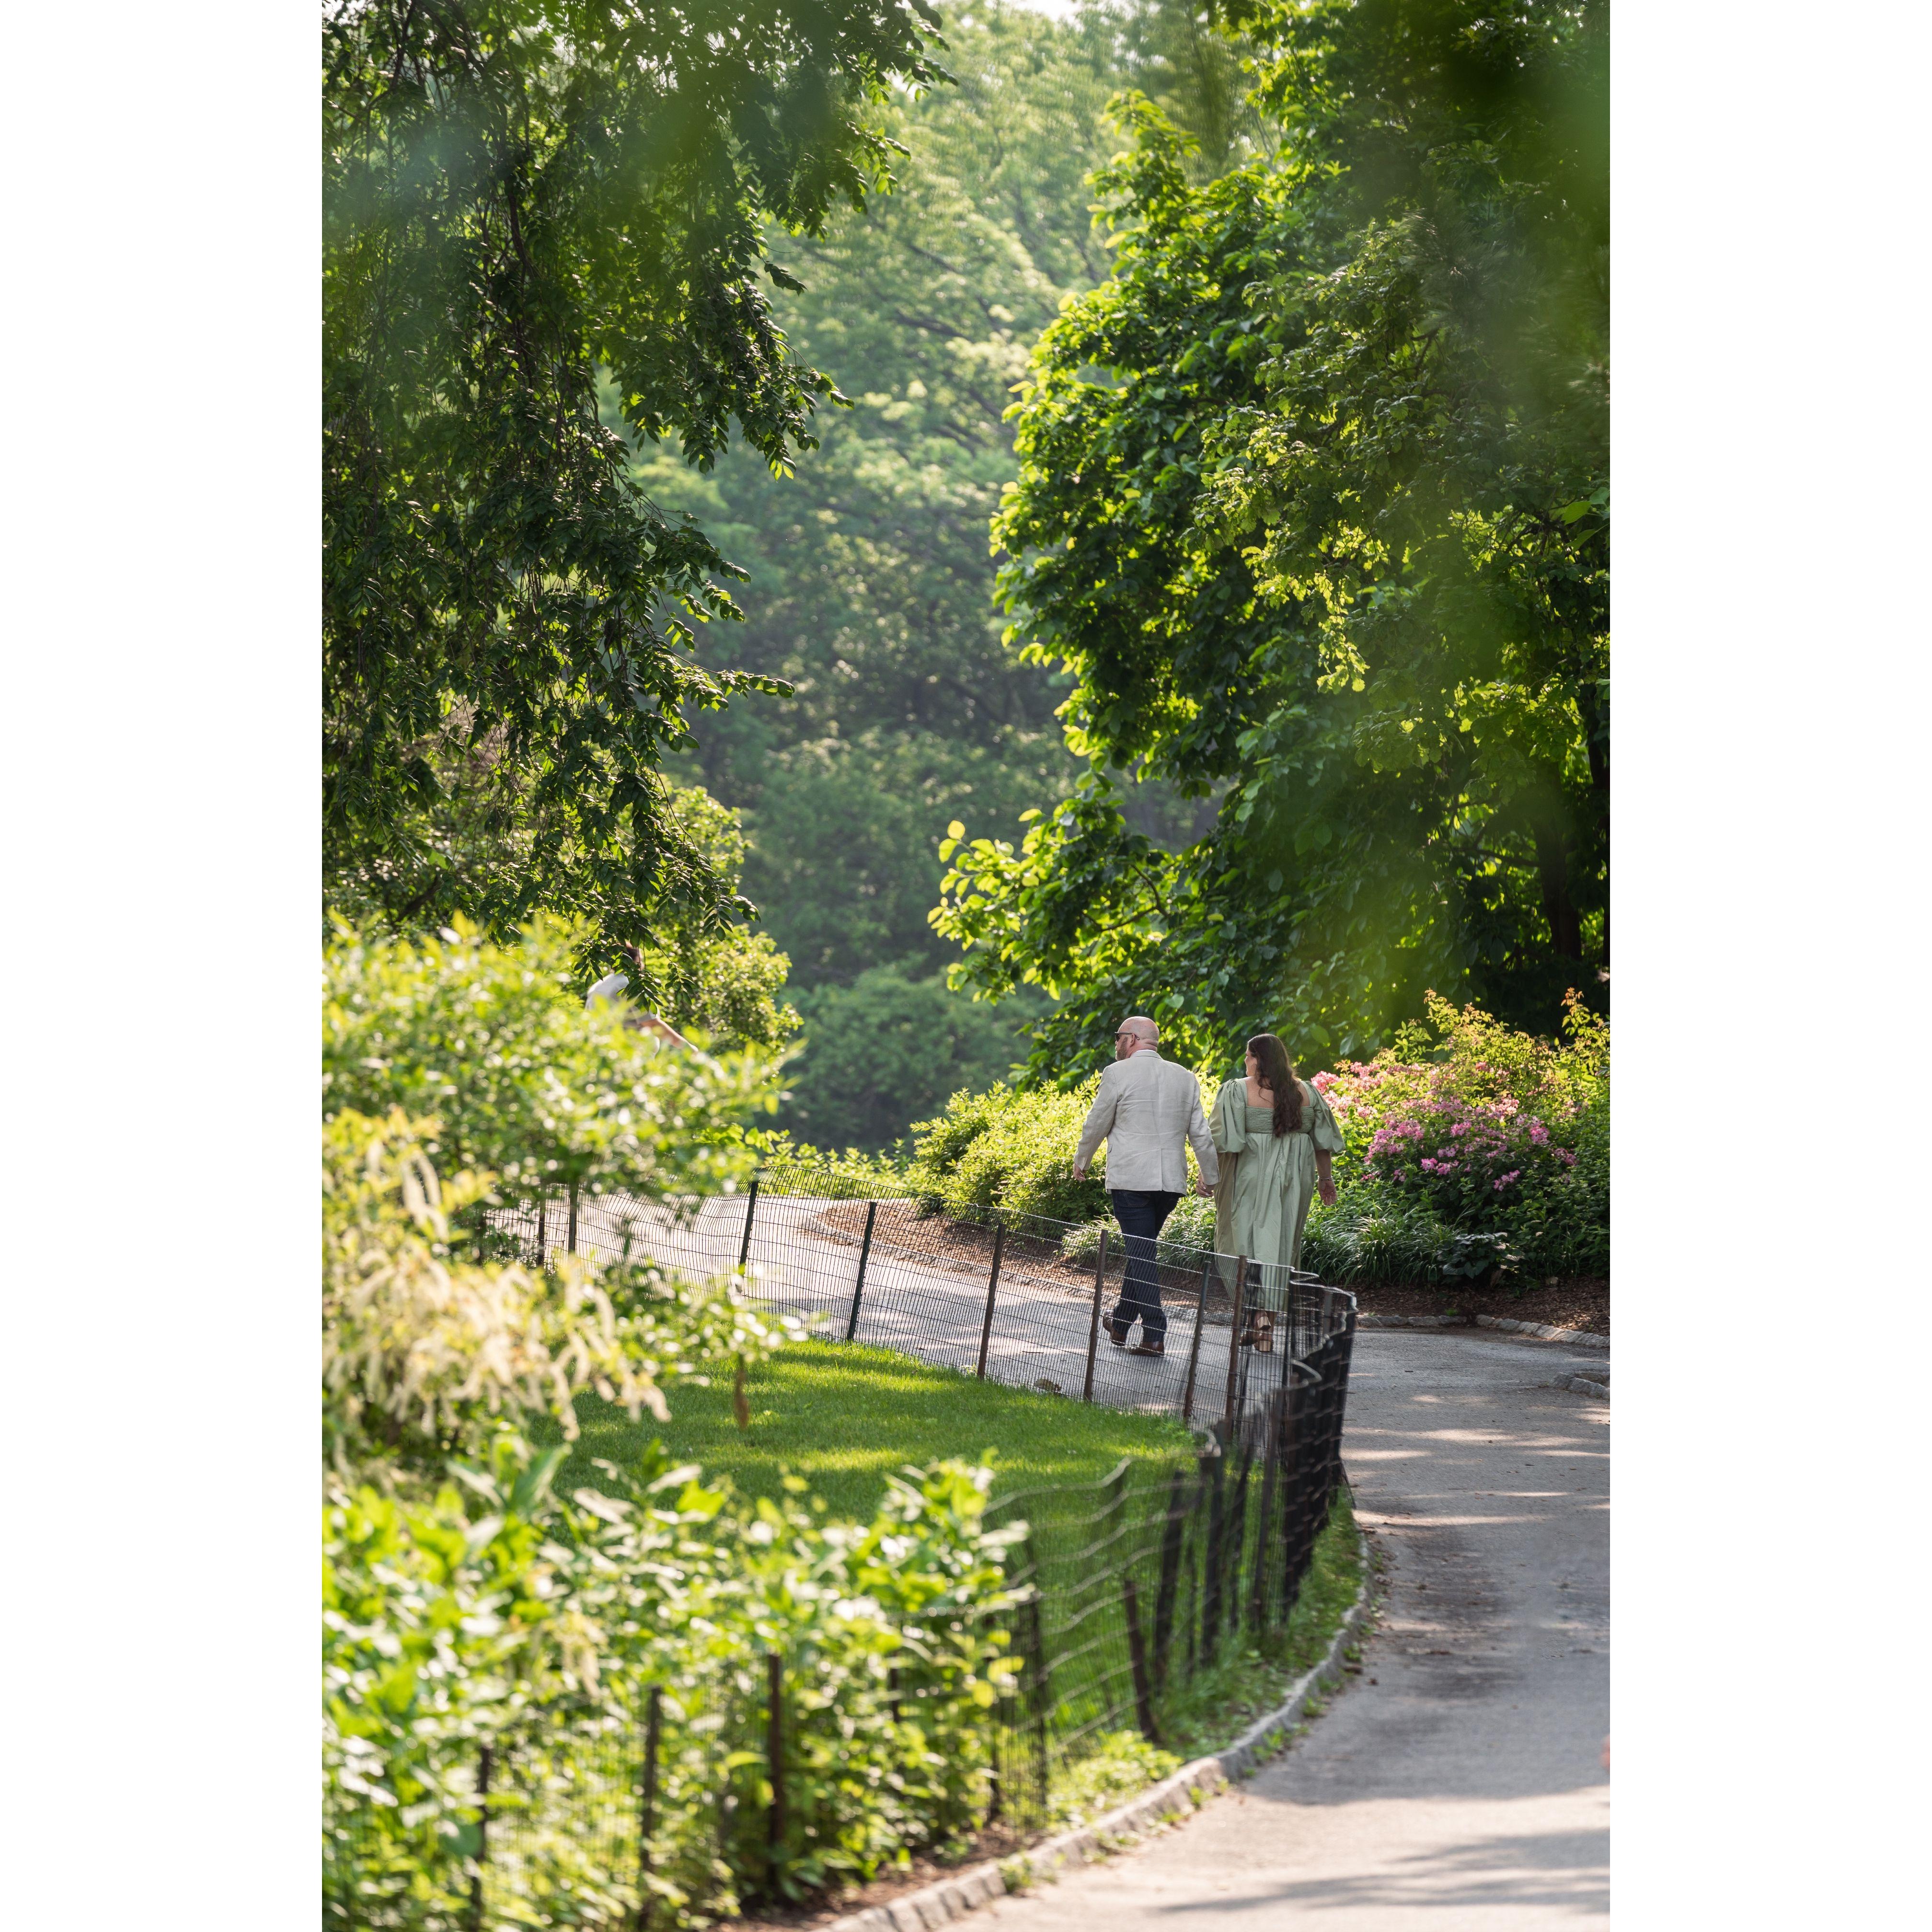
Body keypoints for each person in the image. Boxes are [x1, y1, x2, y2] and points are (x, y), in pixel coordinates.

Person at [1072, 1016, 1218, 1357]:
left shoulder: (1116, 1073)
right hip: (1170, 1184)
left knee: (1141, 1253)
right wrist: (1210, 1175)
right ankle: (1121, 1323)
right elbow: (1200, 1132)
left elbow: (1098, 1121)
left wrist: (1083, 1158)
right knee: (1142, 1251)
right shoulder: (1184, 1077)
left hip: (1132, 1181)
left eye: (1119, 1036)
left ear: (1134, 1039)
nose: (1116, 1042)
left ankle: (1155, 1332)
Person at [1210, 1035, 1344, 1329]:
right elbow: (1322, 1143)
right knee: (1282, 1242)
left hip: (1248, 1176)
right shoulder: (1308, 1092)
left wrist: (1207, 1177)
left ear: (1260, 1060)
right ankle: (1265, 1325)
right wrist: (1326, 1179)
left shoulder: (1237, 1091)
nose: (1245, 1060)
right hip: (1294, 1178)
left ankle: (1257, 1315)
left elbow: (1222, 1143)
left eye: (1249, 1055)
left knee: (1243, 1242)